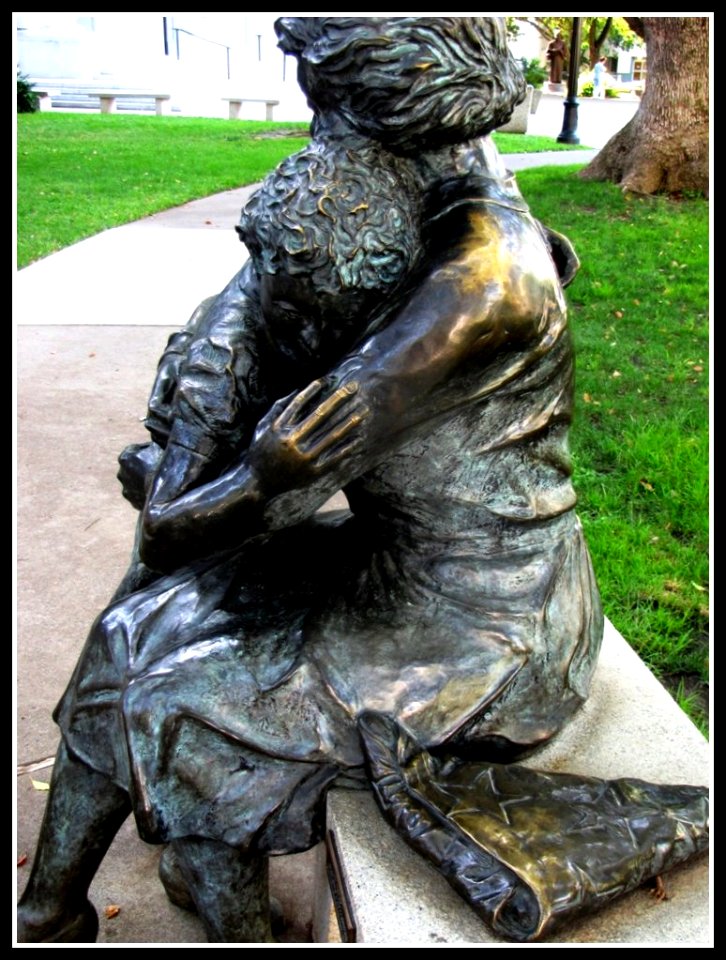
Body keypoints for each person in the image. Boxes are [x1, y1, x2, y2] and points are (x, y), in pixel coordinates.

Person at [18, 18, 705, 945]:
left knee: (203, 705)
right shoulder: (427, 169)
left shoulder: (474, 286)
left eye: (328, 98)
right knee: (140, 625)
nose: (316, 123)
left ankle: (225, 901)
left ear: (386, 109)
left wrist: (219, 480)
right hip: (392, 558)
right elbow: (269, 302)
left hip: (489, 624)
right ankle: (50, 911)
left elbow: (226, 508)